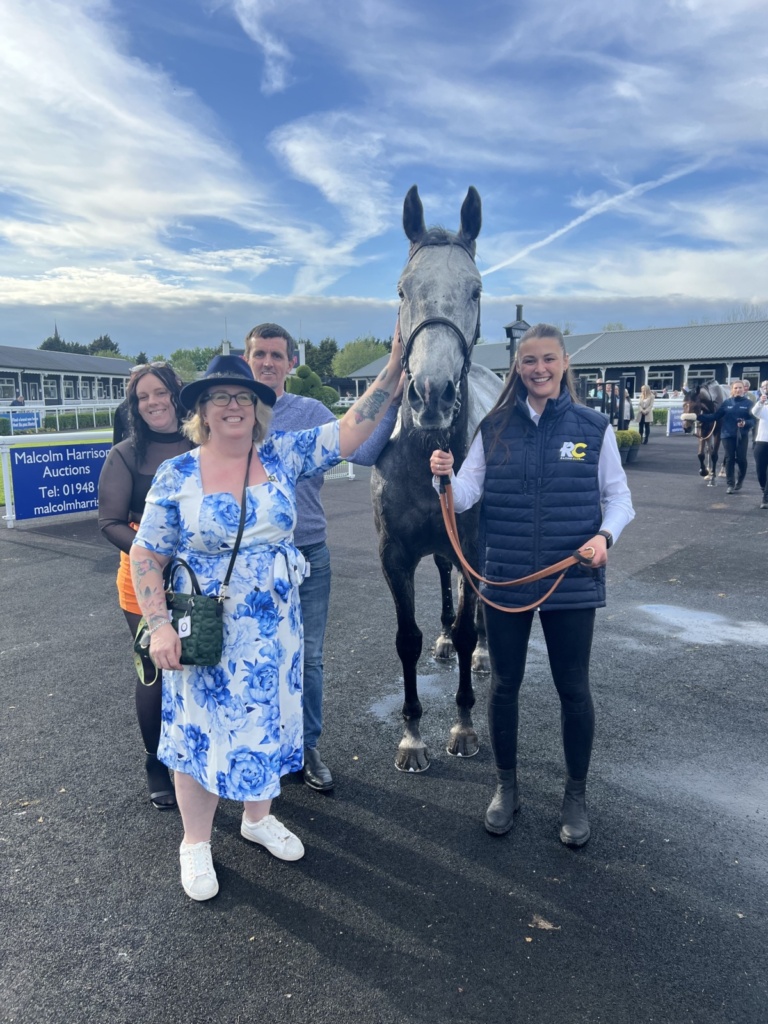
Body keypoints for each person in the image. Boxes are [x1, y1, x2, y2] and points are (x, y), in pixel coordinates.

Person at [130, 347, 403, 901]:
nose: (233, 406)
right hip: (205, 630)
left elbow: (351, 429)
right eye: (219, 398)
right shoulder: (177, 473)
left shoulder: (281, 455)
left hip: (275, 629)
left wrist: (397, 362)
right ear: (201, 411)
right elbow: (145, 554)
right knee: (198, 733)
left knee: (270, 719)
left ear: (258, 409)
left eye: (243, 397)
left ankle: (258, 819)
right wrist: (158, 624)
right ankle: (195, 843)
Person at [429, 323, 634, 848]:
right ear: (517, 369)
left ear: (564, 363)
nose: (538, 369)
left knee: (573, 689)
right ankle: (506, 788)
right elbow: (469, 493)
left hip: (571, 576)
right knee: (504, 684)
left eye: (547, 359)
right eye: (528, 361)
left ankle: (575, 797)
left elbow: (619, 498)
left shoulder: (593, 427)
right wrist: (445, 477)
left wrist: (605, 535)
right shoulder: (494, 427)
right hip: (507, 576)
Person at [244, 322, 398, 792]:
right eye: (259, 354)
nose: (267, 362)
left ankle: (307, 746)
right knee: (254, 657)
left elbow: (366, 448)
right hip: (248, 560)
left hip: (307, 554)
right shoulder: (230, 411)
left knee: (308, 658)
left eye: (276, 355)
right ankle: (262, 746)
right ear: (246, 359)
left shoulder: (309, 412)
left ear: (293, 362)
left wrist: (396, 392)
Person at [98, 363, 192, 809]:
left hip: (200, 582)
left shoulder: (203, 442)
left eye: (161, 393)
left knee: (199, 667)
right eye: (143, 397)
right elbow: (109, 522)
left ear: (177, 394)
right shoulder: (126, 455)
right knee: (154, 670)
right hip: (143, 583)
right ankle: (156, 761)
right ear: (134, 406)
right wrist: (153, 552)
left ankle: (196, 755)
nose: (153, 402)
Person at [698, 380, 755, 494]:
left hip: (741, 435)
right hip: (727, 435)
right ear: (732, 390)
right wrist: (698, 417)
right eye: (735, 388)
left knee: (741, 459)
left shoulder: (748, 403)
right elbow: (715, 416)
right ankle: (730, 484)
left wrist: (745, 423)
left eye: (740, 388)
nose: (738, 390)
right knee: (729, 459)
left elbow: (753, 420)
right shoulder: (726, 403)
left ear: (744, 389)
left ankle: (740, 480)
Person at [751, 383, 768, 509]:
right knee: (760, 470)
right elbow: (755, 412)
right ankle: (764, 489)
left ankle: (766, 498)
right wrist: (760, 402)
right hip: (762, 441)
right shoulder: (764, 406)